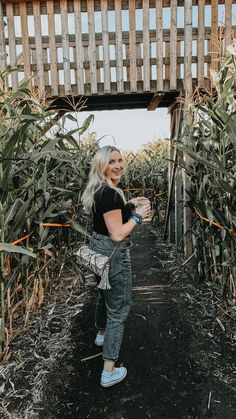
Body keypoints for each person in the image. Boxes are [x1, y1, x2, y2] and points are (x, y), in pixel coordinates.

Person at [82, 145, 150, 388]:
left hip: (99, 250)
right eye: (112, 161)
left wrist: (128, 204)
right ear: (102, 165)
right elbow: (118, 234)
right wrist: (138, 215)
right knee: (118, 309)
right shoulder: (110, 194)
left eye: (120, 160)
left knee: (103, 294)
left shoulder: (101, 190)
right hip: (114, 254)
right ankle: (108, 370)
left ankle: (101, 335)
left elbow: (108, 217)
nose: (118, 165)